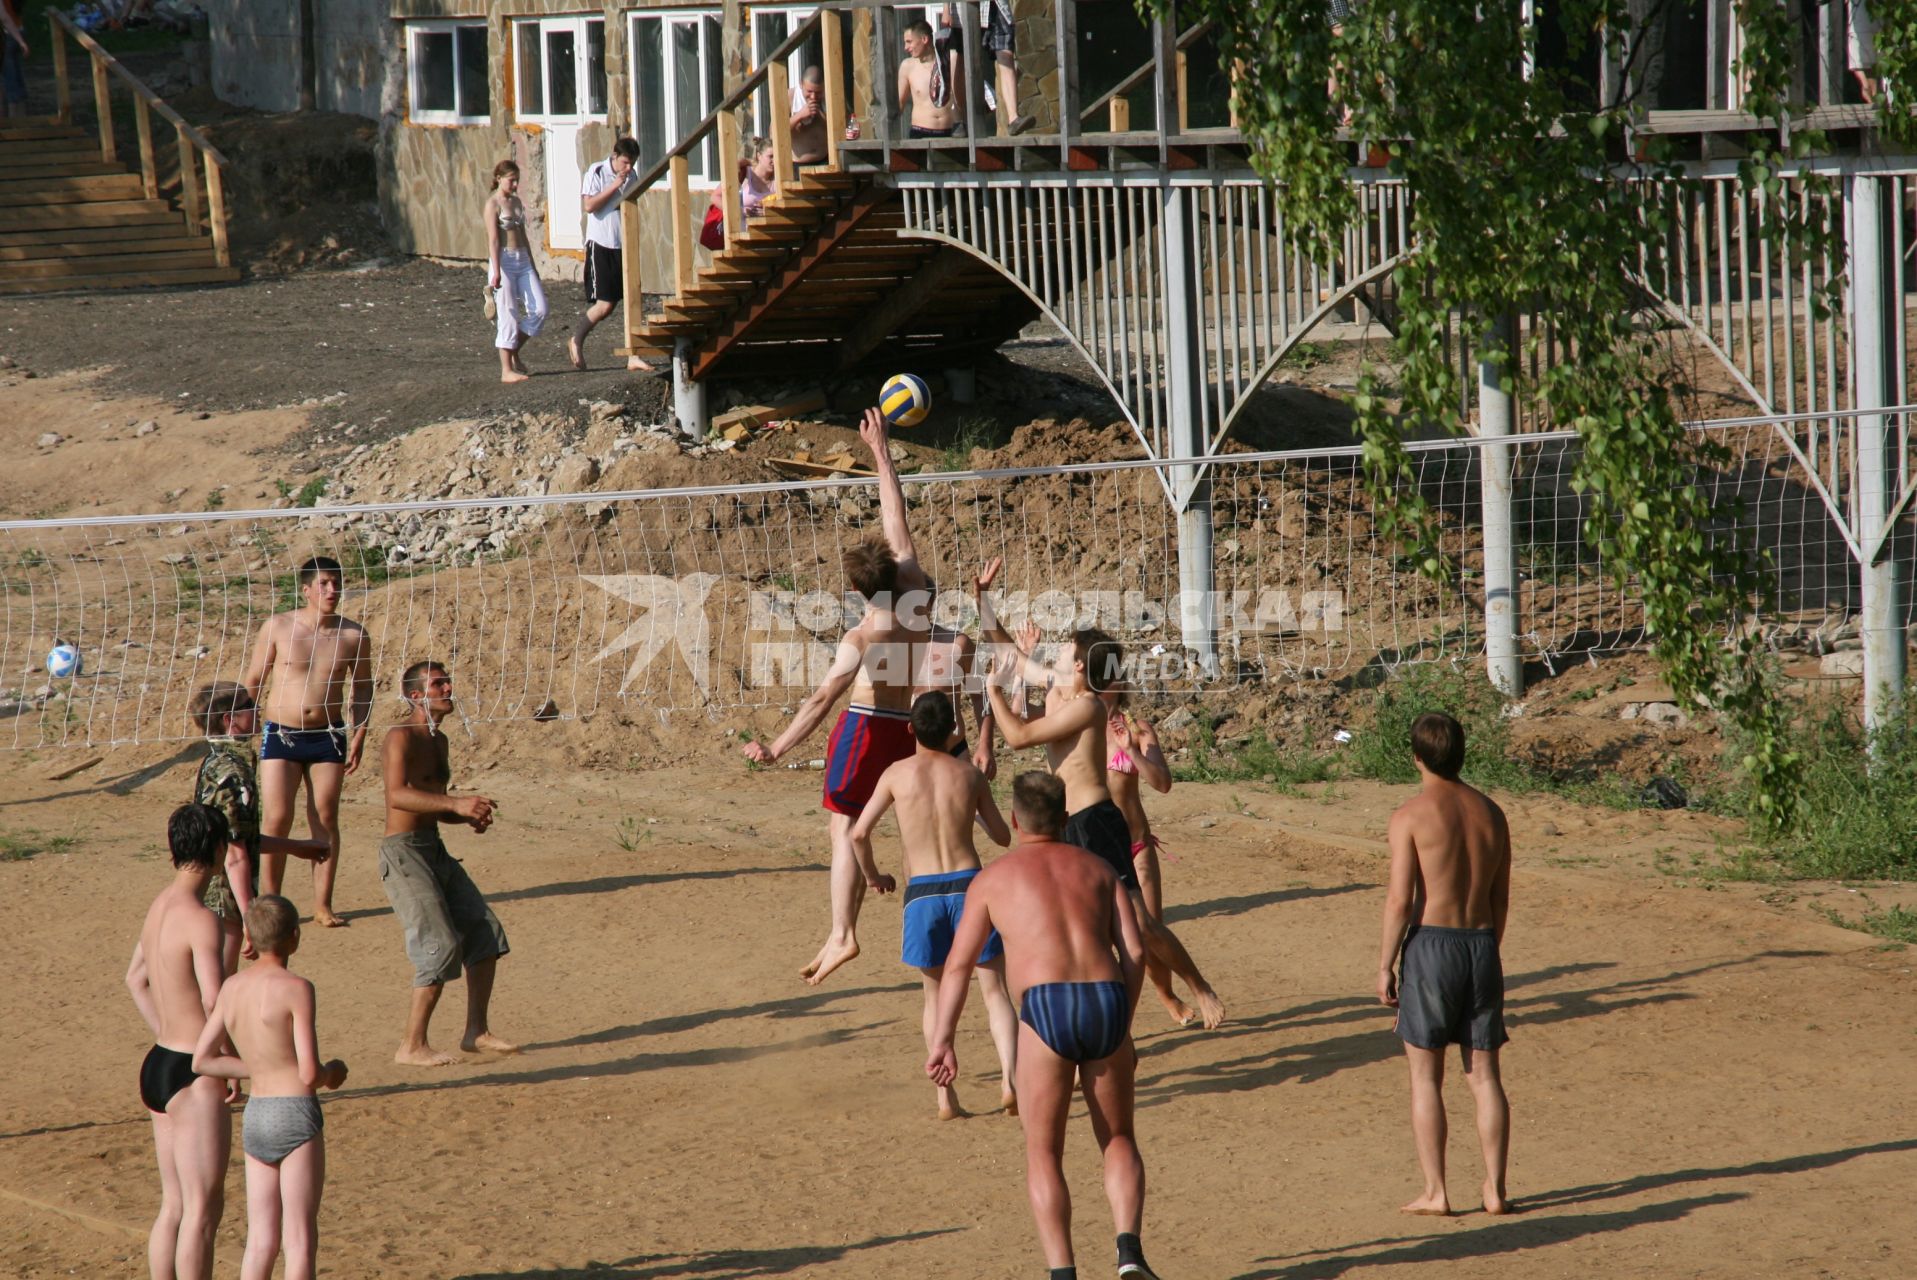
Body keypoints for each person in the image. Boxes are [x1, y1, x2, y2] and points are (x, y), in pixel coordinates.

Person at [926, 772, 1163, 1280]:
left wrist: (943, 1039)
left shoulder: (992, 879)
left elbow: (960, 966)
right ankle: (1129, 1254)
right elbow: (1137, 950)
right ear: (1064, 818)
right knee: (1119, 1139)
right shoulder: (1098, 868)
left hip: (1044, 1006)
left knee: (1044, 1152)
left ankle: (1063, 1273)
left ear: (1014, 820)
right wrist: (1125, 1020)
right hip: (1107, 999)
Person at [975, 560, 1226, 1029]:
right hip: (1064, 826)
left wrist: (991, 691)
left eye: (1068, 649)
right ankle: (1112, 1026)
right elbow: (1008, 651)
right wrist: (982, 600)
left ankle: (1198, 986)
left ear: (1078, 665)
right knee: (1083, 932)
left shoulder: (1086, 704)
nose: (1060, 652)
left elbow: (1017, 738)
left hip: (1095, 822)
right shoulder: (1058, 688)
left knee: (1139, 926)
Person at [742, 417, 931, 986]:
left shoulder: (862, 638)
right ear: (893, 571)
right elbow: (896, 520)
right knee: (909, 830)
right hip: (908, 729)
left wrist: (776, 746)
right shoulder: (919, 593)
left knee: (844, 829)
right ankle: (914, 919)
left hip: (866, 730)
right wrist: (881, 454)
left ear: (855, 590)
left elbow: (823, 699)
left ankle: (843, 933)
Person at [850, 691, 1020, 1120]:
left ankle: (946, 1098)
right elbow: (1003, 837)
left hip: (922, 891)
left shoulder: (895, 774)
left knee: (934, 995)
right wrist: (973, 809)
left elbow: (857, 834)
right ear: (954, 731)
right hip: (970, 888)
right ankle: (1010, 1081)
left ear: (910, 728)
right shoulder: (969, 776)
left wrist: (872, 876)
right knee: (994, 989)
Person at [1378, 711, 1514, 1217]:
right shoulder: (1492, 814)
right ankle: (1495, 1188)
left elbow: (1399, 900)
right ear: (1462, 753)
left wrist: (1385, 965)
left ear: (1415, 756)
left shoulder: (1410, 816)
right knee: (1485, 1076)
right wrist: (1488, 949)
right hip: (1480, 944)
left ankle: (1437, 1191)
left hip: (1431, 946)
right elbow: (1501, 898)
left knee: (1425, 1077)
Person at [192, 896, 349, 1280]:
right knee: (299, 1240)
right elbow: (309, 1072)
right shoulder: (297, 987)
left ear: (248, 935)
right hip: (295, 1111)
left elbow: (202, 1060)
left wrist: (257, 1067)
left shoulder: (232, 987)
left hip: (258, 1113)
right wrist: (333, 1072)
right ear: (295, 937)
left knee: (261, 1239)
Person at [381, 659, 516, 1066]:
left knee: (485, 932)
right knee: (439, 944)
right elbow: (397, 796)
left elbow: (433, 806)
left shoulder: (439, 741)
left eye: (447, 681)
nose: (448, 688)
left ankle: (476, 1031)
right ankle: (411, 1045)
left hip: (432, 846)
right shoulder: (400, 736)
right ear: (416, 696)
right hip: (403, 853)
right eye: (439, 683)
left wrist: (466, 814)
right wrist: (456, 802)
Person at [126, 803, 235, 1280]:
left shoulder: (158, 906)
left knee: (173, 1204)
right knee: (203, 1211)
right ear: (217, 851)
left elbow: (135, 980)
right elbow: (215, 1000)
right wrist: (226, 1058)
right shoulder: (201, 918)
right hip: (195, 1070)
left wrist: (163, 1032)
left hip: (159, 1062)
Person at [242, 555, 373, 929]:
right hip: (280, 732)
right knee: (278, 817)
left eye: (336, 583)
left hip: (328, 734)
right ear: (307, 589)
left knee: (326, 815)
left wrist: (360, 732)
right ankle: (269, 904)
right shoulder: (278, 627)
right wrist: (242, 726)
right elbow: (255, 678)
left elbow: (363, 688)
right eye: (324, 584)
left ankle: (322, 905)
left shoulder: (353, 635)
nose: (332, 590)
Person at [188, 681, 329, 973]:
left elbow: (238, 836)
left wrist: (296, 848)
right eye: (250, 707)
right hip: (223, 898)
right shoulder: (233, 772)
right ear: (231, 720)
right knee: (217, 993)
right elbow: (235, 853)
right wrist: (250, 916)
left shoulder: (216, 761)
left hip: (209, 889)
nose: (258, 711)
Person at [1102, 696, 1203, 1027]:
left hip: (1137, 844)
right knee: (1104, 941)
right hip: (1099, 850)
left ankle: (1166, 994)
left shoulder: (1139, 729)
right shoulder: (1082, 733)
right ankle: (1120, 1025)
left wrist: (1131, 752)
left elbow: (1163, 783)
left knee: (1149, 931)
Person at [569, 136, 652, 373]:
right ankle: (576, 339)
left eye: (632, 163)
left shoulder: (632, 176)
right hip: (601, 243)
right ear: (614, 156)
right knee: (605, 305)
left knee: (632, 300)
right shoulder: (596, 171)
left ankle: (633, 355)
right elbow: (589, 206)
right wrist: (615, 185)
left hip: (623, 243)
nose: (629, 168)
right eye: (625, 162)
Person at [485, 159, 548, 385]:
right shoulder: (492, 204)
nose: (514, 185)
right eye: (512, 180)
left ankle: (513, 351)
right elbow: (493, 239)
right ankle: (506, 370)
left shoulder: (517, 202)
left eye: (517, 181)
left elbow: (524, 237)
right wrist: (497, 270)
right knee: (508, 313)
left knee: (539, 309)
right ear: (499, 178)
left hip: (522, 260)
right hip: (503, 260)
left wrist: (533, 264)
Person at [897, 16, 963, 139]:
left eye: (909, 42)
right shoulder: (907, 66)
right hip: (920, 133)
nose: (906, 48)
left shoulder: (950, 60)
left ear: (924, 39)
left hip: (951, 133)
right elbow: (899, 104)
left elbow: (964, 96)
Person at [978, 0, 1036, 135]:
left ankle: (1013, 118)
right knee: (963, 59)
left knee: (1006, 56)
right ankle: (960, 119)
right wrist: (946, 9)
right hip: (965, 8)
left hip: (997, 5)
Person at [0, 0, 27, 121]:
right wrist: (20, 40)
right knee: (14, 77)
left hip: (7, 35)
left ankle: (13, 120)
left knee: (9, 78)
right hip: (17, 29)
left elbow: (5, 17)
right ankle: (19, 117)